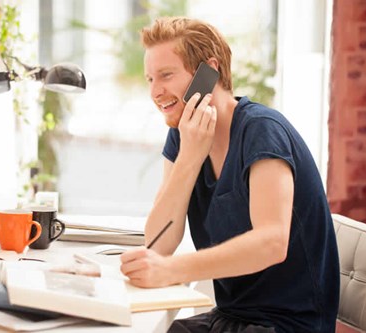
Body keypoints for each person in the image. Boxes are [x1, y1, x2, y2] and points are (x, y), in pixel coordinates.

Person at [119, 17, 339, 333]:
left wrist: (171, 270)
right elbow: (158, 244)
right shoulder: (184, 135)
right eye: (150, 79)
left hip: (286, 326)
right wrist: (190, 158)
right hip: (232, 319)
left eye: (166, 75)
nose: (155, 91)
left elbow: (272, 243)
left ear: (210, 70)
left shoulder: (262, 131)